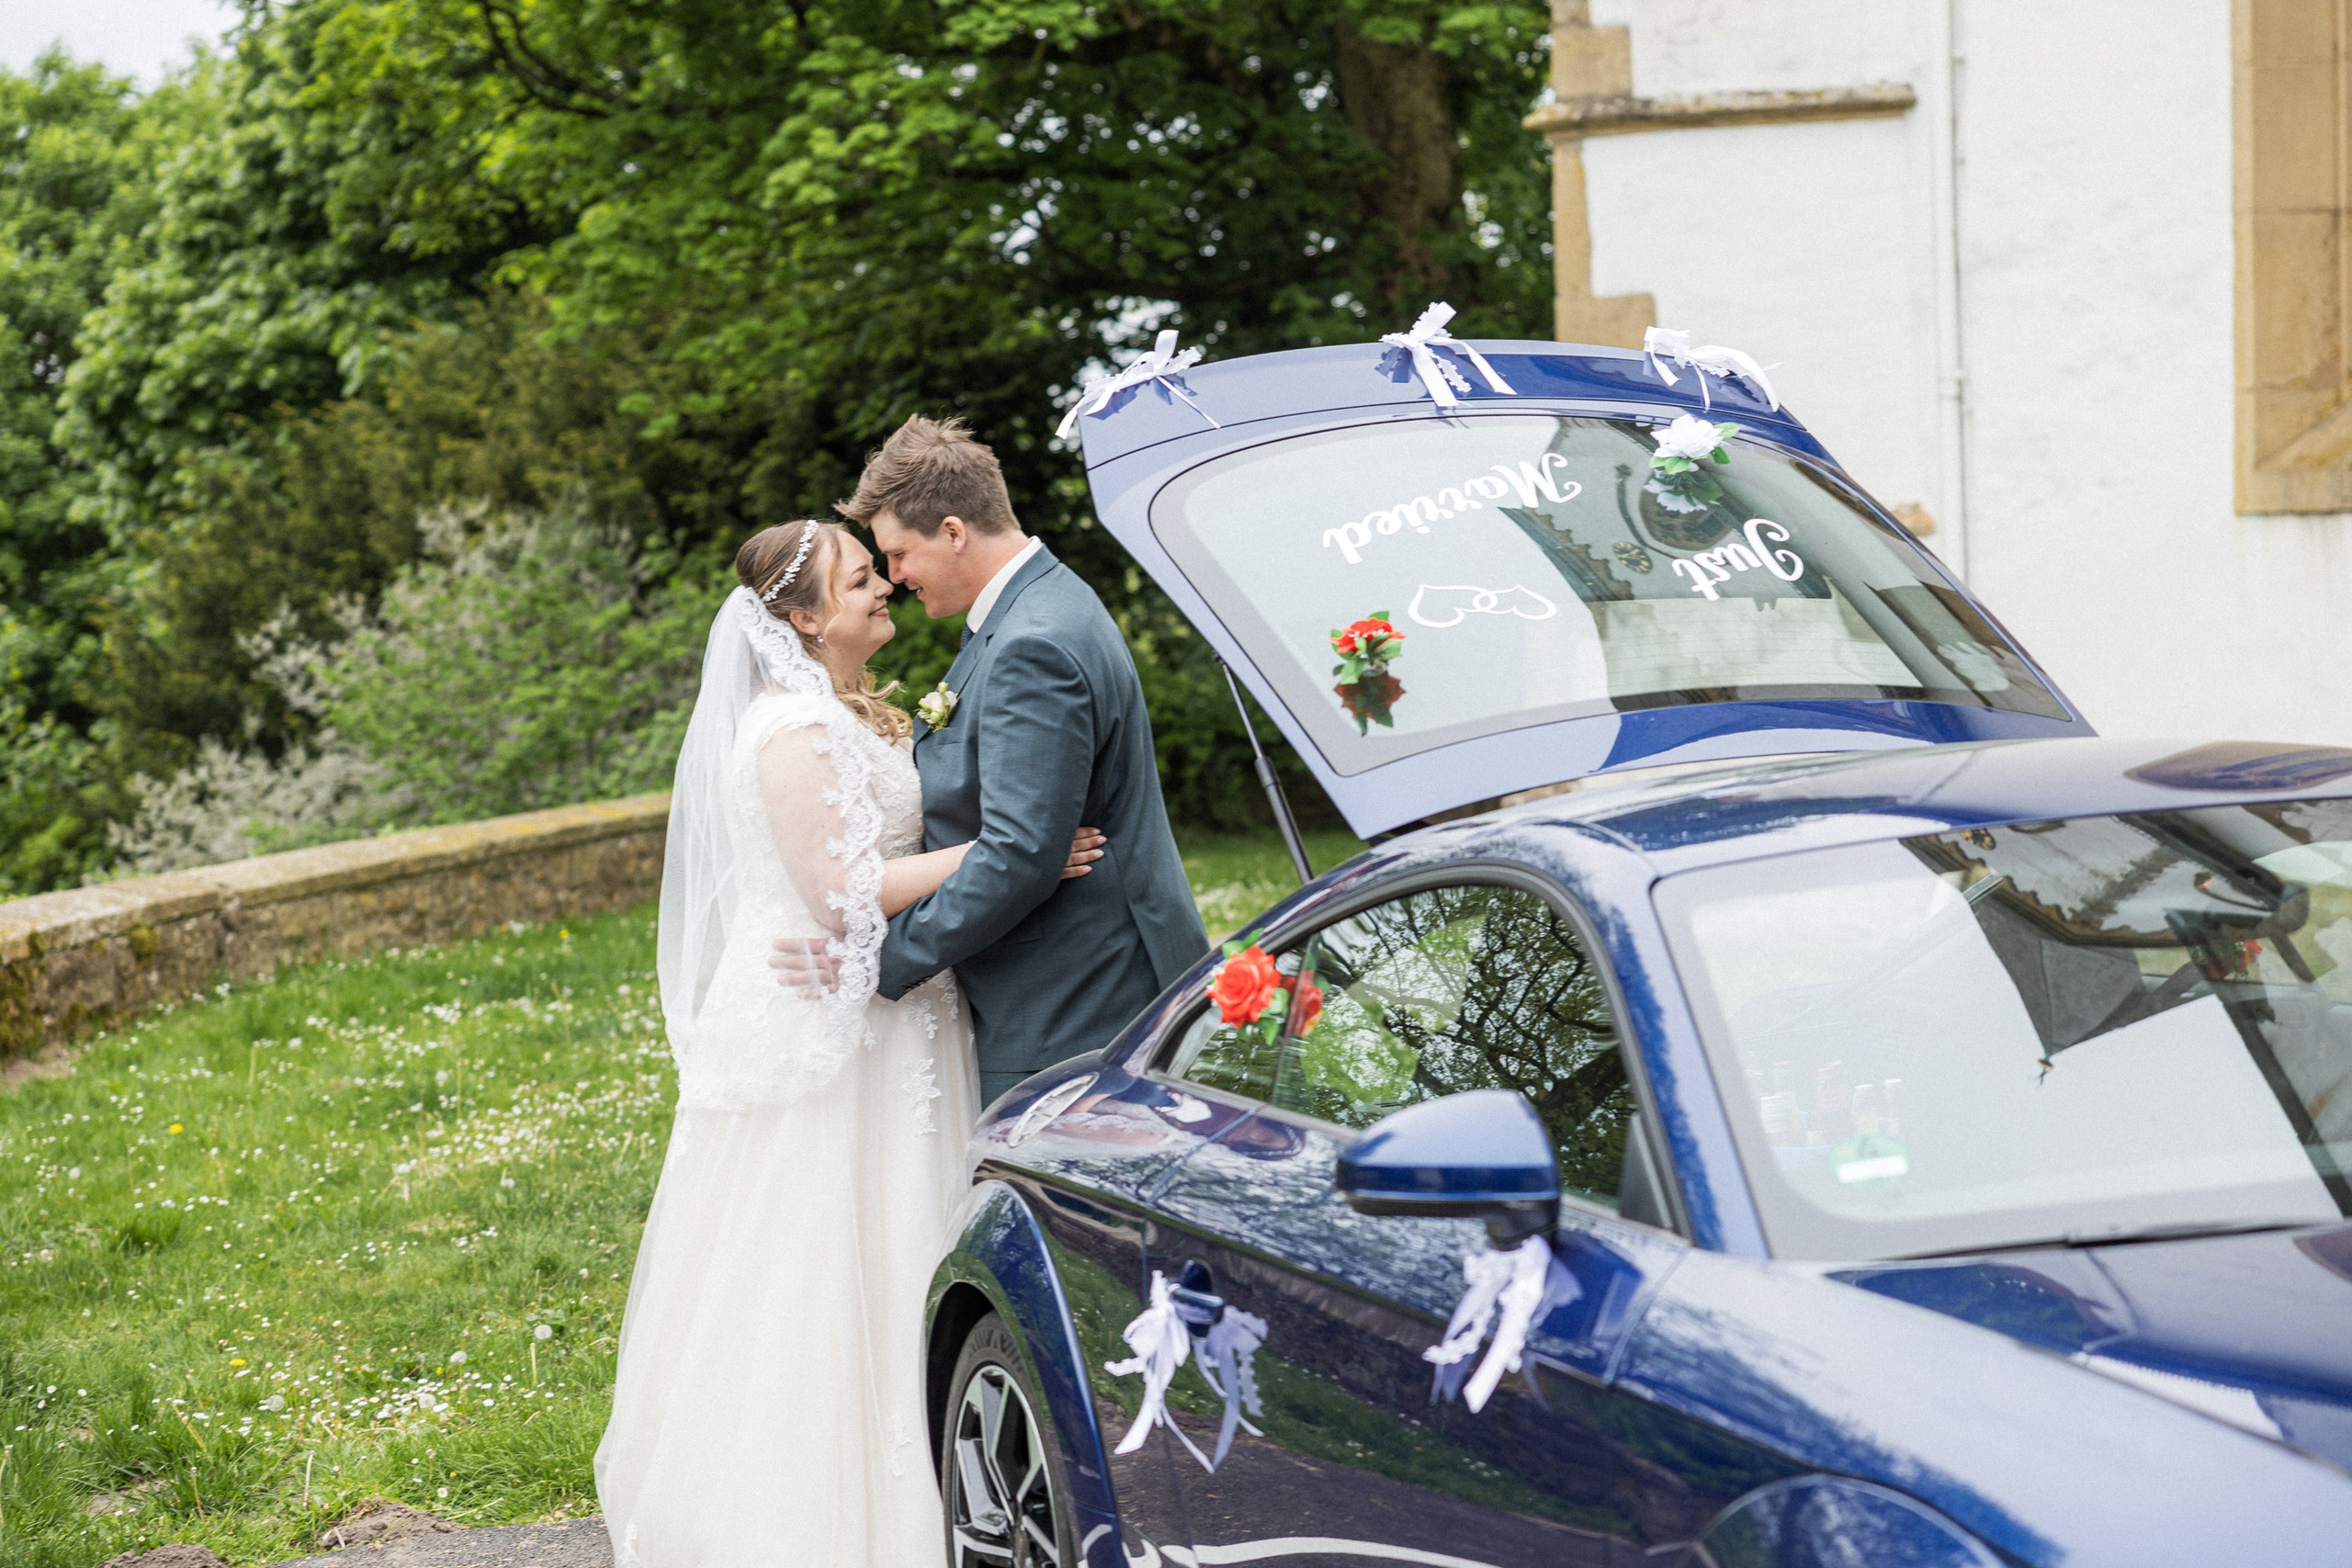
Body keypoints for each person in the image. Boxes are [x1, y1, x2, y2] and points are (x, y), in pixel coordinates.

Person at [595, 519, 1104, 1567]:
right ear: (803, 618)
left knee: (909, 1231)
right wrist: (1013, 854)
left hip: (893, 1007)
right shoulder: (791, 729)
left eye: (879, 573)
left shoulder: (846, 711)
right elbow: (839, 891)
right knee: (829, 1245)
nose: (883, 590)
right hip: (836, 1024)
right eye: (860, 580)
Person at [776, 414, 1209, 1101]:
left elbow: (1018, 856)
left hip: (1077, 1005)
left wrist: (874, 960)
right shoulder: (1039, 606)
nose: (892, 577)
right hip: (1075, 987)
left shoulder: (1030, 644)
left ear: (952, 531)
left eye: (896, 554)